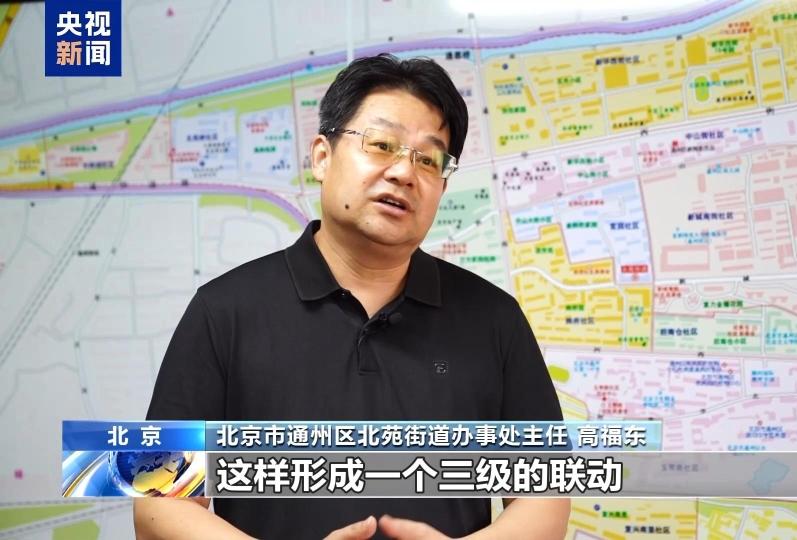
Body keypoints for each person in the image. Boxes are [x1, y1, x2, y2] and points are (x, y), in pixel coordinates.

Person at [134, 54, 569, 539]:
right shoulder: (224, 311)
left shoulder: (494, 319)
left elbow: (546, 498)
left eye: (428, 159)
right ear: (322, 156)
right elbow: (157, 506)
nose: (404, 173)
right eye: (381, 145)